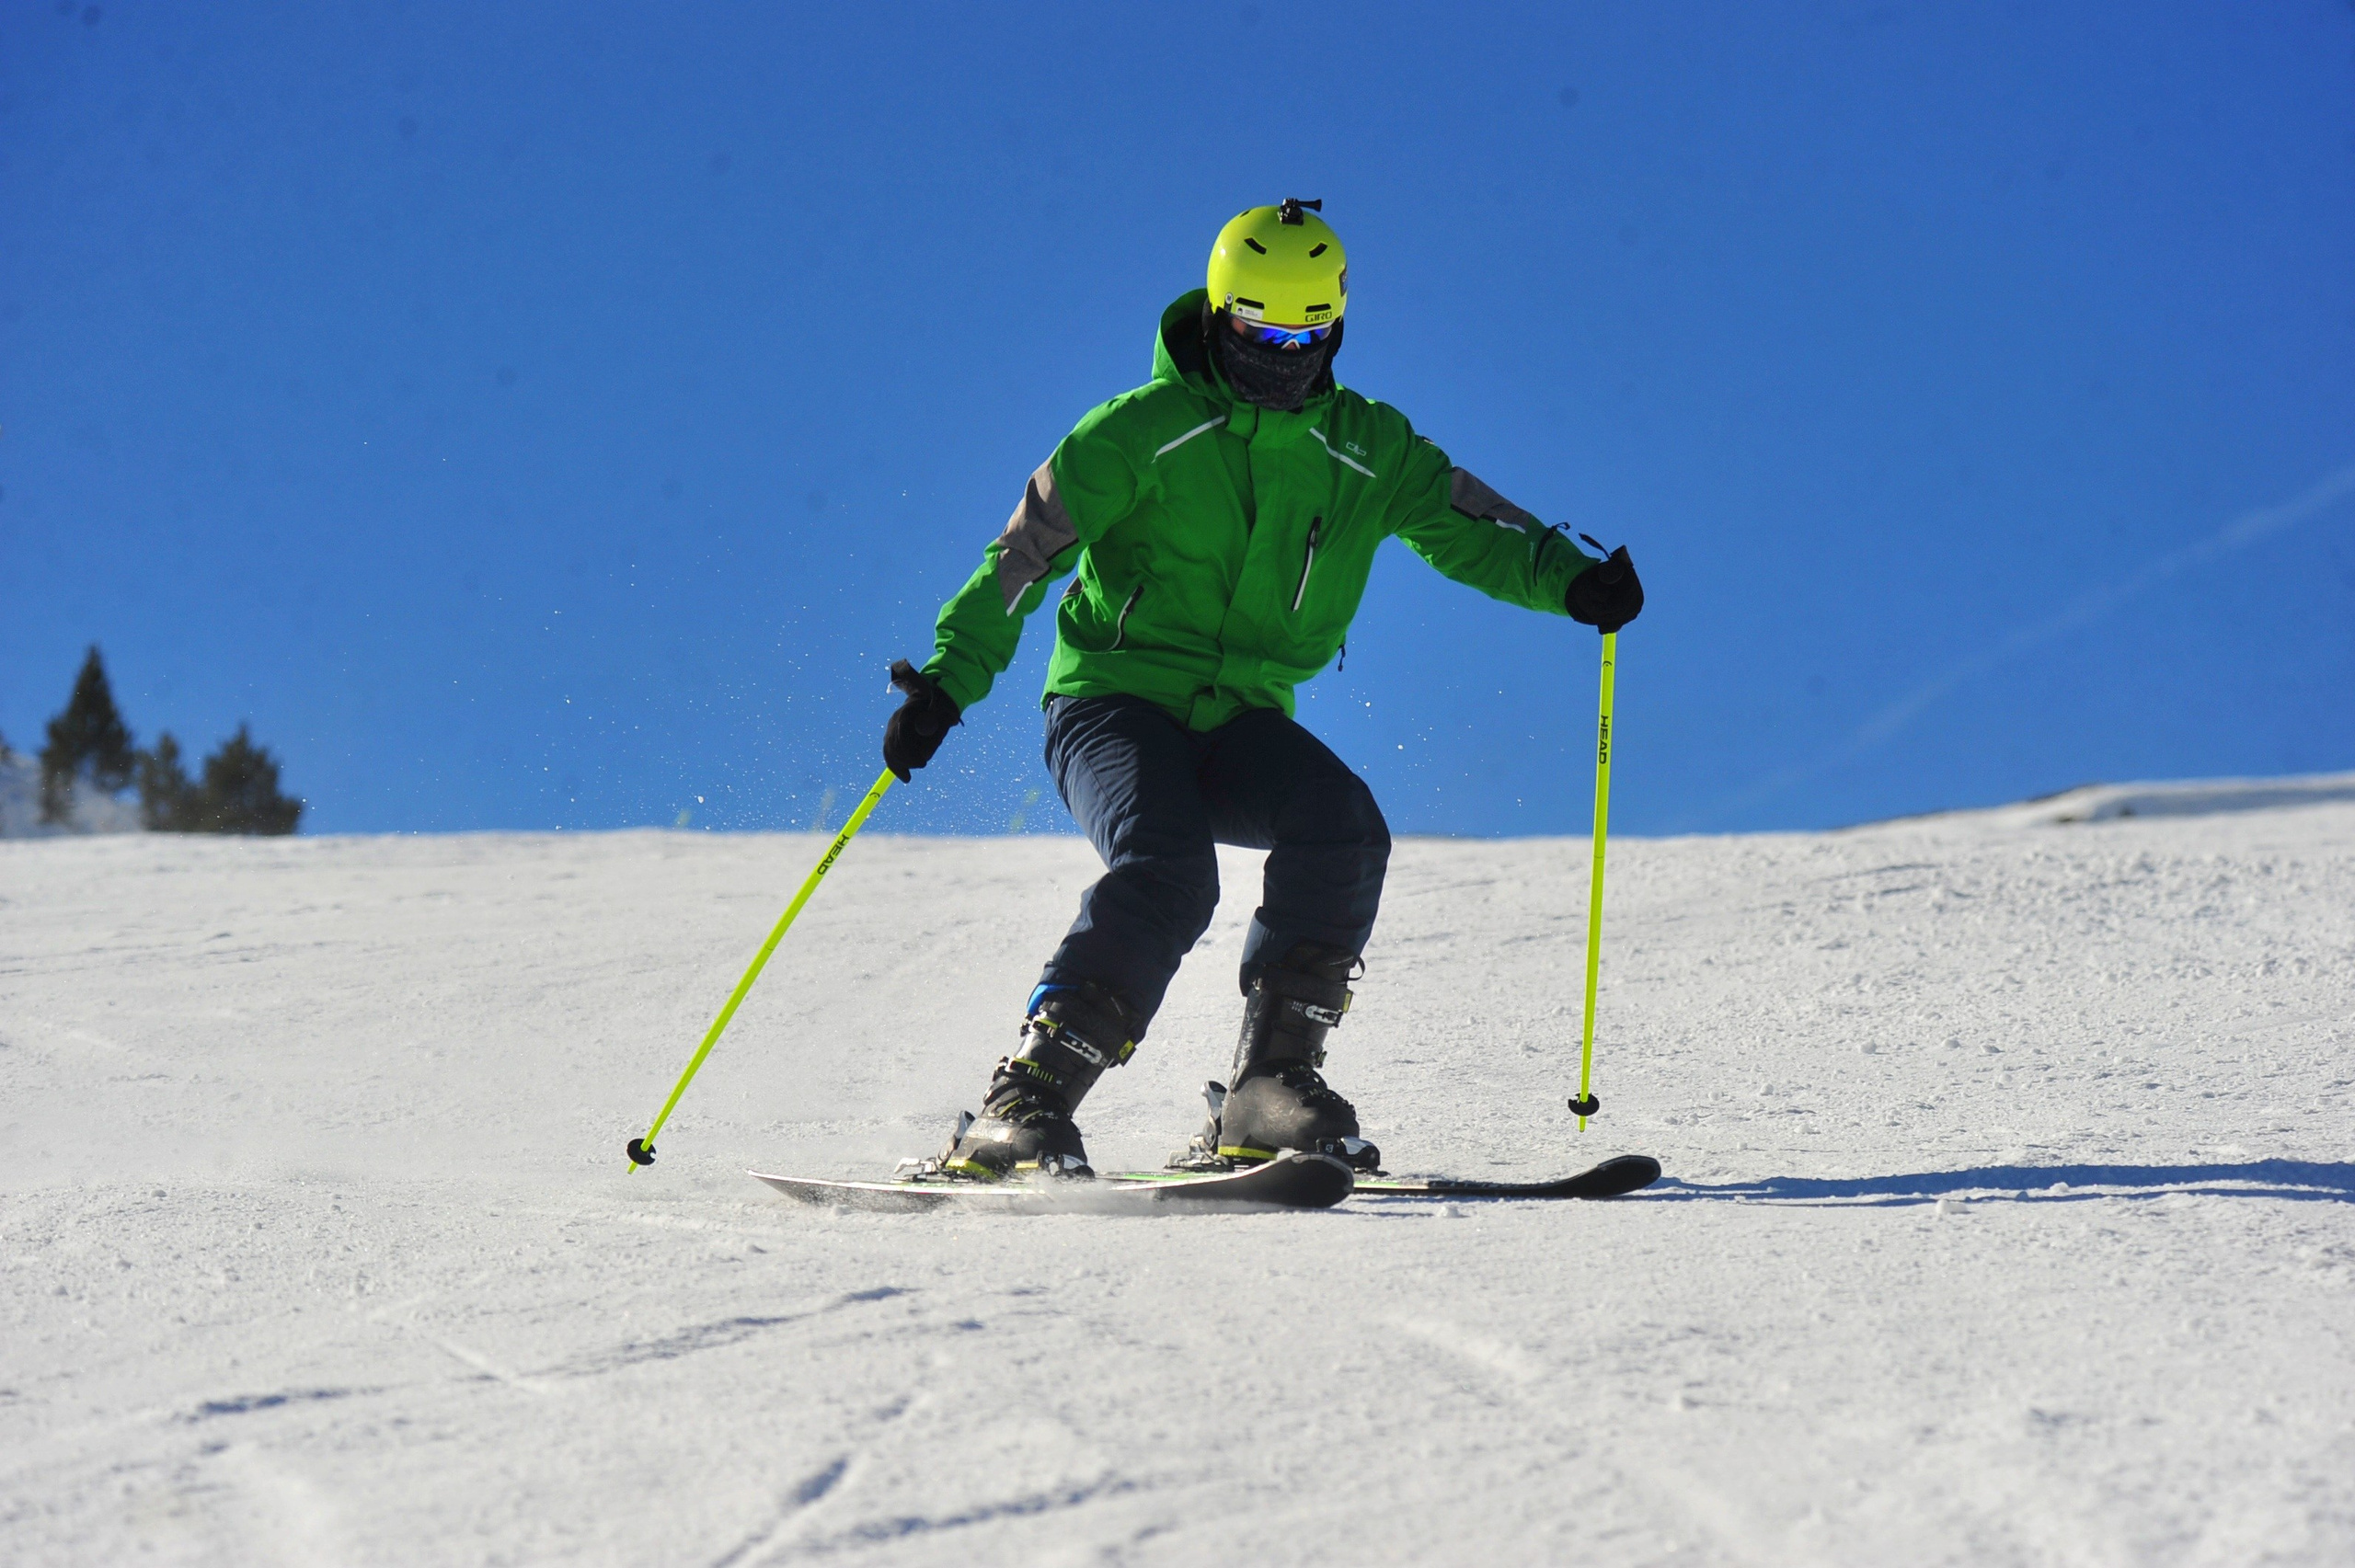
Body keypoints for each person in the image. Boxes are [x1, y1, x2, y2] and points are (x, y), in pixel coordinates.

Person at [881, 199, 1644, 1180]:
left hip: (1240, 720)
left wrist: (1569, 578)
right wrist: (947, 682)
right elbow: (1022, 556)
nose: (1281, 353)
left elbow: (1469, 525)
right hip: (1111, 702)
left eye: (1304, 333)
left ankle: (1268, 1089)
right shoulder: (1137, 432)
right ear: (1218, 313)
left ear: (1334, 326)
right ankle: (1022, 1100)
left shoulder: (1364, 447)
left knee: (1342, 823)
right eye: (1257, 330)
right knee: (1169, 870)